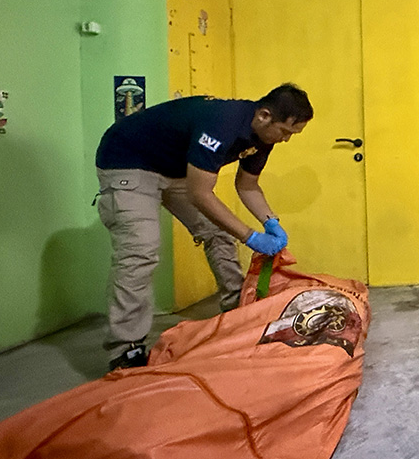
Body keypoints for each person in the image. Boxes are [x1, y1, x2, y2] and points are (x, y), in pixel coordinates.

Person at [94, 83, 313, 370]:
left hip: (176, 169)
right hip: (128, 160)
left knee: (218, 232)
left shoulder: (263, 137)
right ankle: (125, 349)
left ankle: (239, 311)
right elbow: (200, 193)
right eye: (285, 132)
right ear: (264, 116)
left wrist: (271, 221)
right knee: (141, 250)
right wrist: (250, 236)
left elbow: (247, 186)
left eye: (292, 134)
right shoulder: (223, 122)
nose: (285, 140)